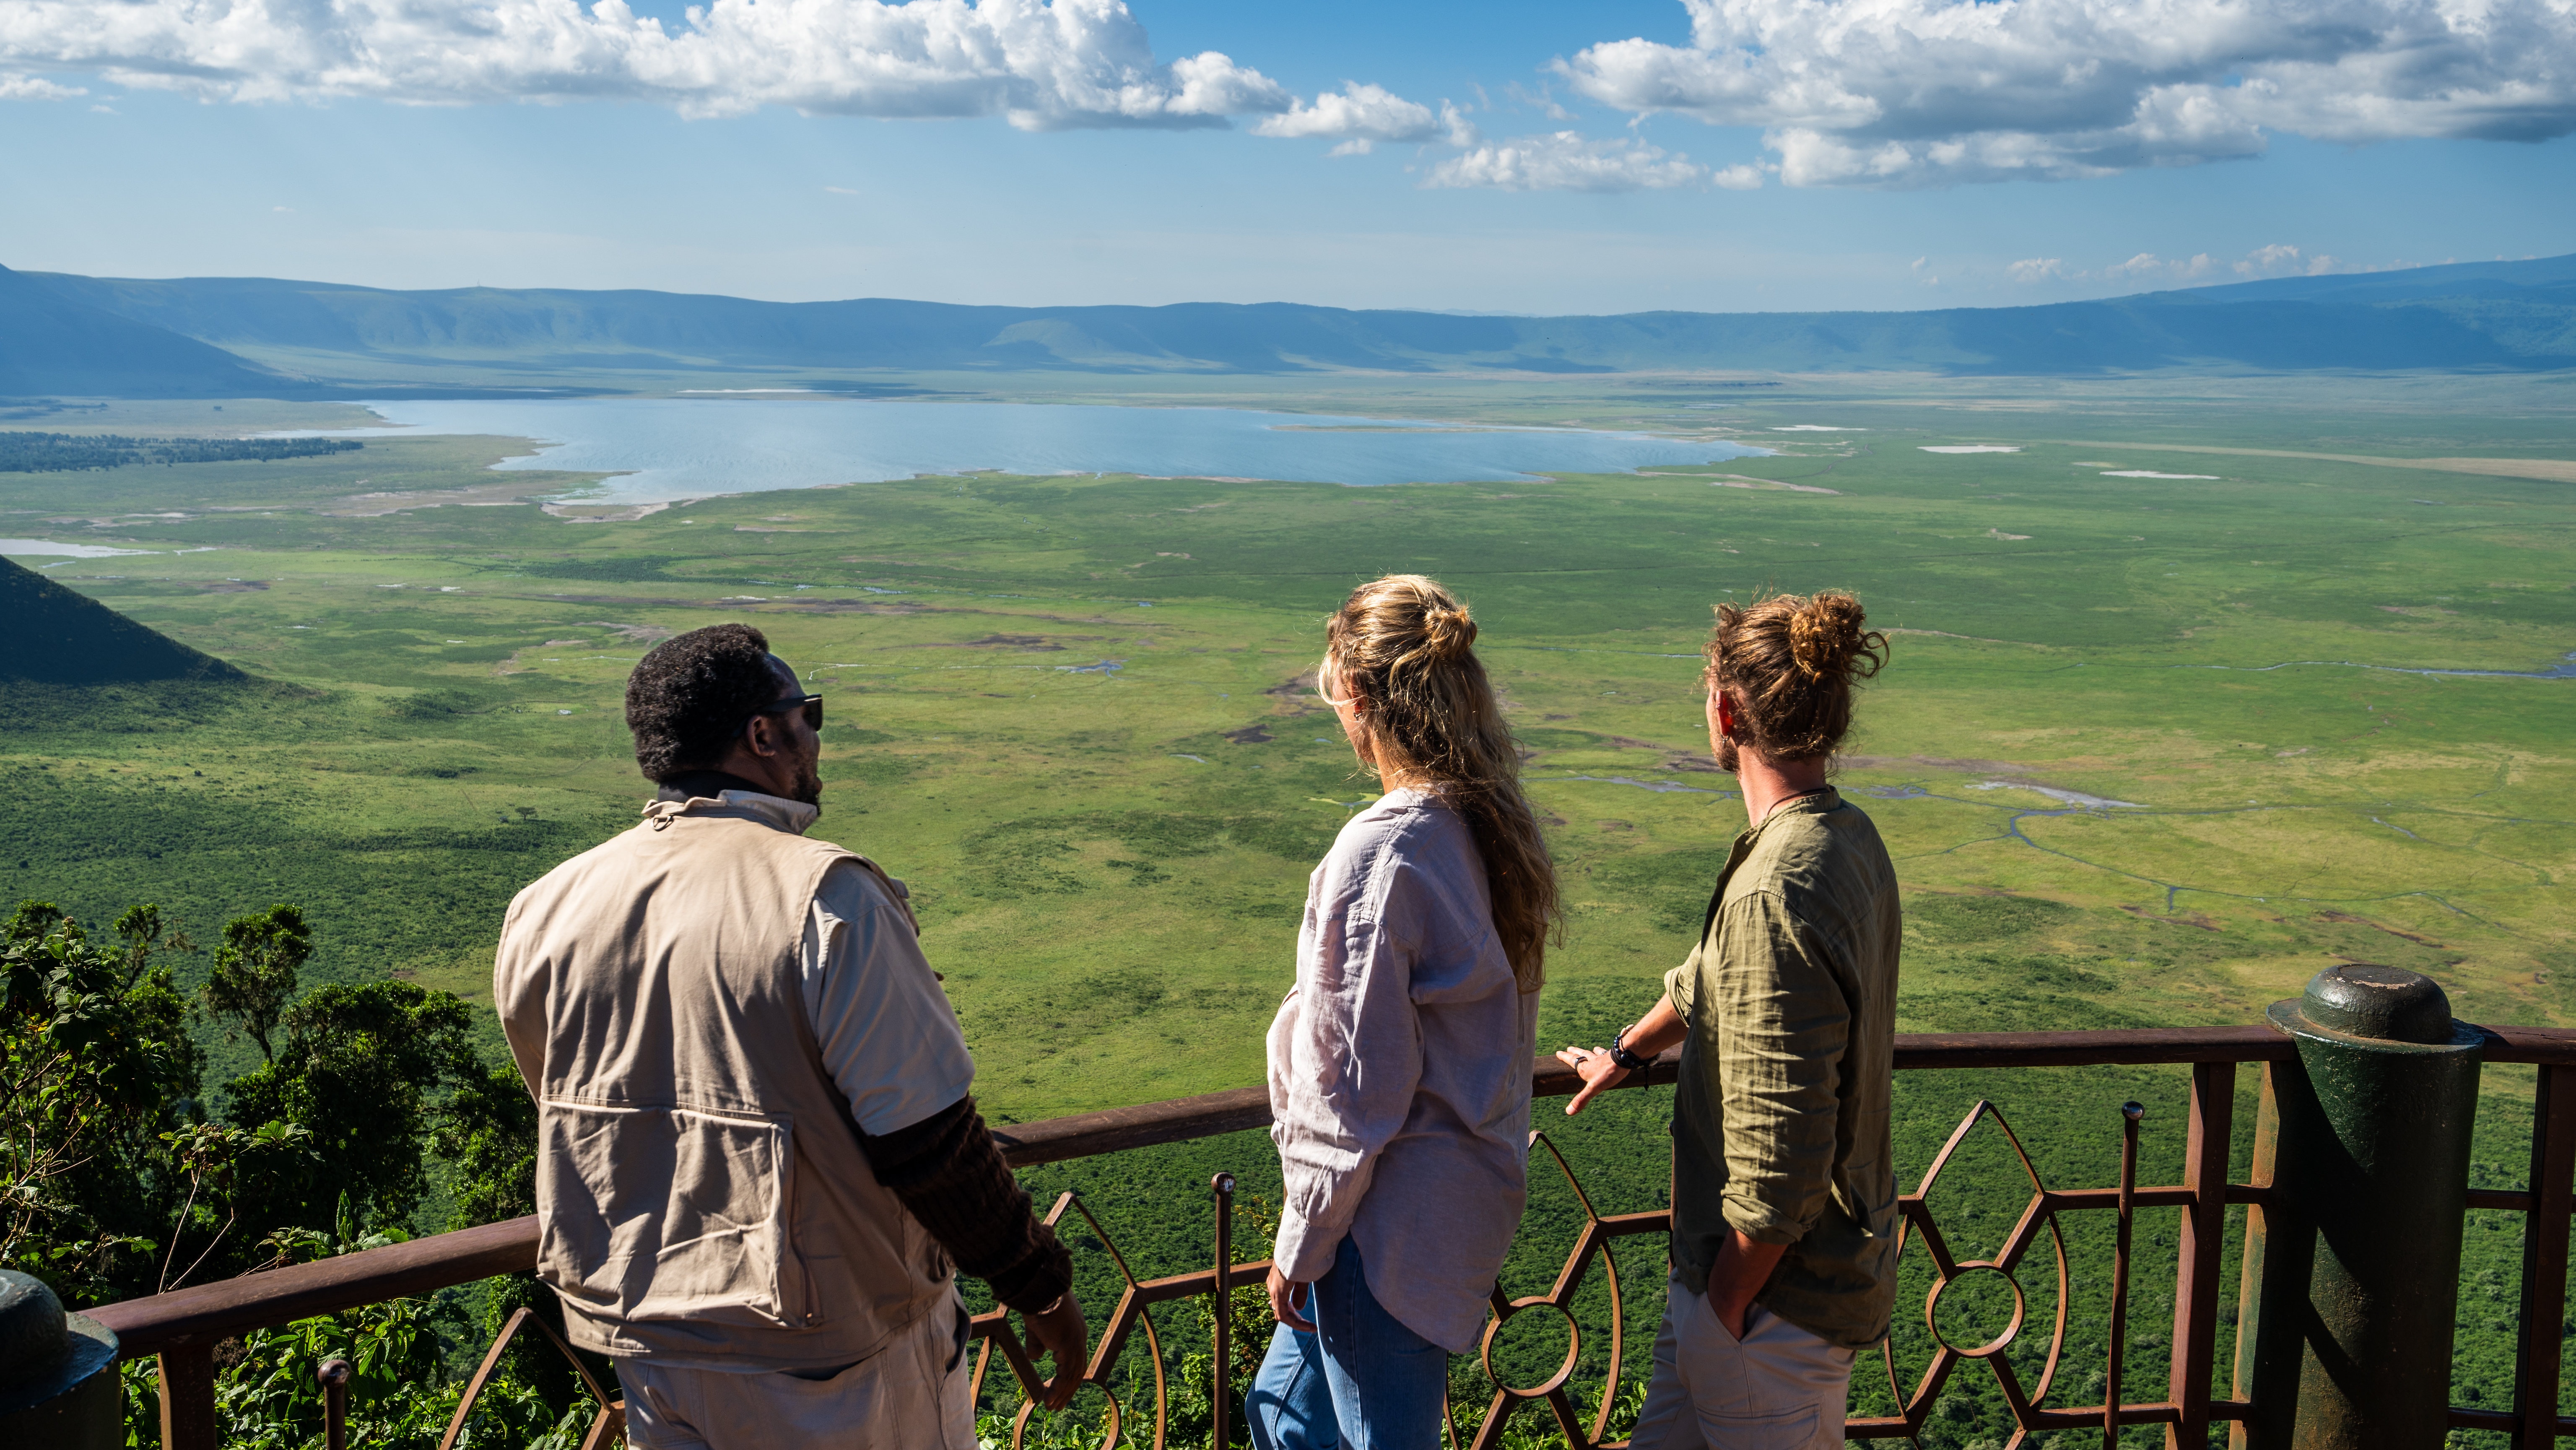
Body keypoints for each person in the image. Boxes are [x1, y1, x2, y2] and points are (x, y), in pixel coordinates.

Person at [493, 623, 1087, 1450]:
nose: (815, 735)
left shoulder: (544, 910)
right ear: (763, 736)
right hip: (832, 1360)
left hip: (647, 1350)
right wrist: (1040, 1285)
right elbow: (930, 1142)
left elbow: (567, 1103)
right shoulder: (828, 899)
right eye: (807, 713)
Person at [1555, 591, 1902, 1450]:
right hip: (1764, 1299)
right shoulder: (1841, 838)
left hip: (1765, 1313)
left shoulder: (1773, 887)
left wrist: (1725, 1309)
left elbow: (1781, 1165)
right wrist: (1627, 1052)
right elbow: (1715, 979)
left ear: (1724, 711)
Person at [1250, 575, 1561, 1450]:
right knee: (1282, 1410)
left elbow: (1352, 1087)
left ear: (1356, 696)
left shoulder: (1382, 853)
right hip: (1453, 1206)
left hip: (1381, 1229)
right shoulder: (1480, 824)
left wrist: (1300, 1243)